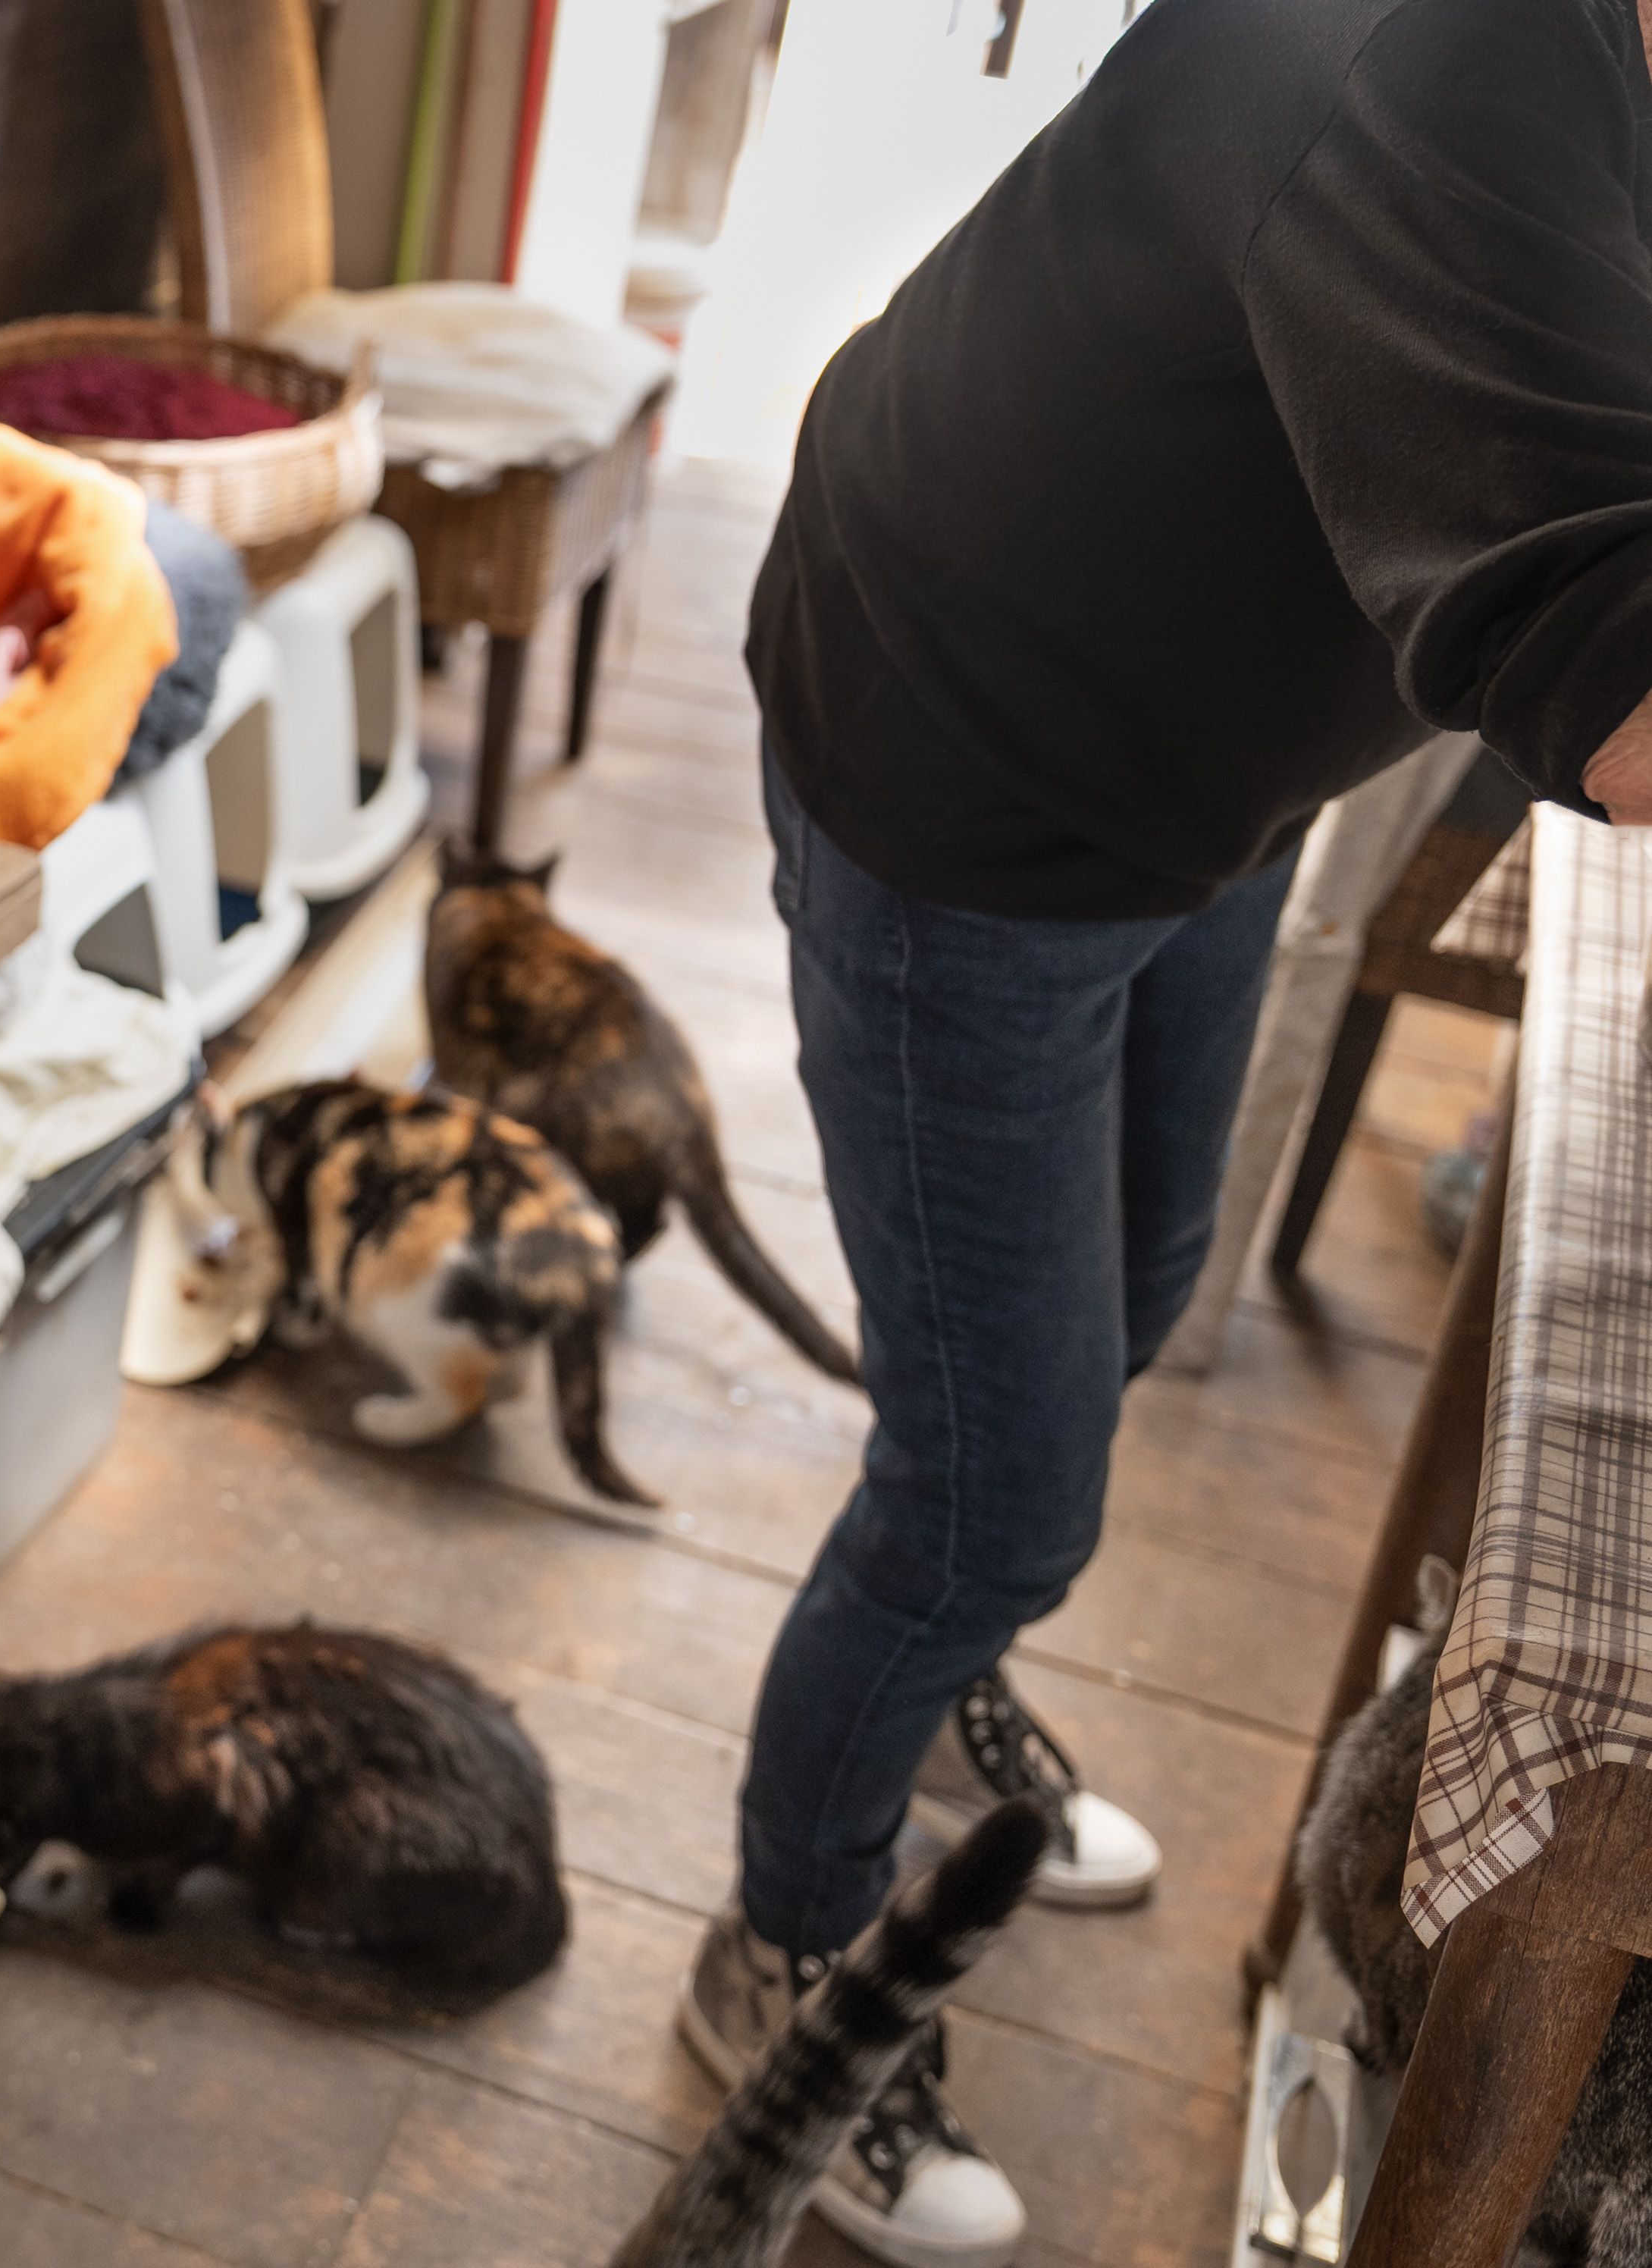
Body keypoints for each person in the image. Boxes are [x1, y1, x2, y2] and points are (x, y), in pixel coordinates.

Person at [679, 0, 1652, 2260]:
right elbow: (1611, 650)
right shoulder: (1442, 56)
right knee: (988, 1494)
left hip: (1193, 767)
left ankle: (934, 1699)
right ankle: (784, 1960)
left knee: (1120, 1302)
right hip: (968, 769)